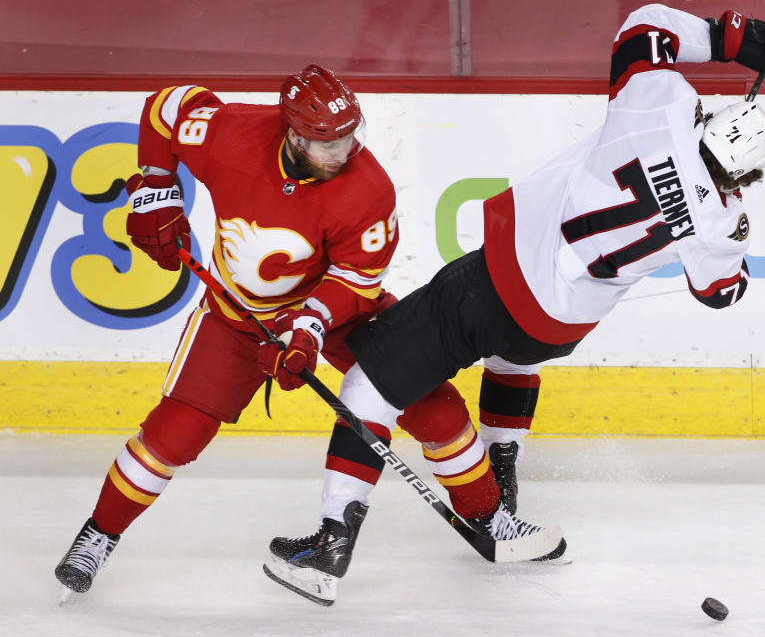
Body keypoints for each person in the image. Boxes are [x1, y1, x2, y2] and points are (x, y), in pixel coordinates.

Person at [265, 2, 765, 603]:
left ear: (710, 122)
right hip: (561, 324)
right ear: (748, 178)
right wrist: (726, 238)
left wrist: (733, 40)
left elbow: (642, 30)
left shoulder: (663, 105)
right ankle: (503, 484)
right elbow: (720, 295)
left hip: (497, 284)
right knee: (513, 361)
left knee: (369, 385)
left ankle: (332, 542)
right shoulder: (725, 224)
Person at [54, 64, 561, 600]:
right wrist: (157, 187)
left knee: (435, 408)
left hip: (339, 316)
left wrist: (309, 326)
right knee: (173, 435)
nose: (344, 152)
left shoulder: (367, 189)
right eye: (328, 143)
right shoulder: (231, 135)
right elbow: (167, 105)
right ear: (294, 135)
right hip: (236, 317)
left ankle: (490, 518)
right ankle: (97, 536)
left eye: (350, 136)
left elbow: (356, 281)